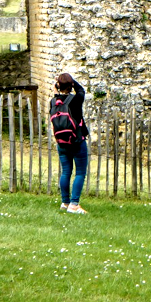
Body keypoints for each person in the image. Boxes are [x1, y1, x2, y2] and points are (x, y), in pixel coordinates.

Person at [50, 73, 89, 214]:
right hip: (77, 141)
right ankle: (74, 204)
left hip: (62, 143)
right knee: (80, 172)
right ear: (71, 85)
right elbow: (81, 91)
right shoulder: (75, 100)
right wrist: (74, 82)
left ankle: (65, 202)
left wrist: (57, 89)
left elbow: (57, 98)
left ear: (58, 85)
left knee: (66, 171)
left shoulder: (53, 102)